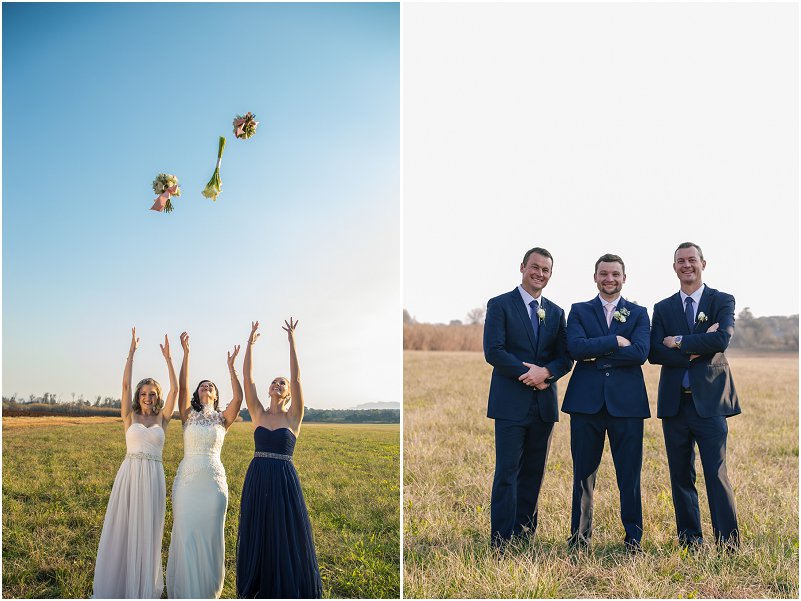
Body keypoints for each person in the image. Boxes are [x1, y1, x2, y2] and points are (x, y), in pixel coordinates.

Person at [648, 242, 740, 548]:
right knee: (680, 476)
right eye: (680, 261)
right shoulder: (662, 308)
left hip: (711, 402)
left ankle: (727, 543)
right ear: (674, 267)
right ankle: (690, 541)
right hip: (675, 404)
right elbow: (654, 352)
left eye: (692, 260)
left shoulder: (722, 300)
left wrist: (678, 341)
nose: (687, 265)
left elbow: (722, 339)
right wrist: (697, 345)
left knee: (716, 474)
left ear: (703, 263)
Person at [483, 247, 573, 549]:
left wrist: (546, 373)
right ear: (522, 267)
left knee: (534, 471)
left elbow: (565, 358)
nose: (540, 274)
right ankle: (501, 538)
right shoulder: (500, 305)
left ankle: (524, 533)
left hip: (543, 405)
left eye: (546, 270)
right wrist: (529, 374)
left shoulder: (557, 312)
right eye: (535, 267)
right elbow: (494, 351)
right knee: (507, 472)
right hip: (510, 403)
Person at [562, 253, 650, 552]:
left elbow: (640, 353)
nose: (609, 279)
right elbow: (575, 348)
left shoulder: (638, 313)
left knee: (630, 474)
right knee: (583, 475)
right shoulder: (579, 310)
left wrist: (595, 350)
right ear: (595, 276)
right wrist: (614, 341)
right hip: (586, 404)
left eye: (615, 274)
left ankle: (633, 539)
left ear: (624, 278)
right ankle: (579, 538)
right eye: (603, 273)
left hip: (627, 404)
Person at [236, 319, 323, 598]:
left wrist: (292, 341)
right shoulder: (258, 413)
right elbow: (247, 378)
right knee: (259, 531)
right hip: (258, 476)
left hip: (284, 481)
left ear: (288, 393)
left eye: (281, 383)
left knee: (285, 534)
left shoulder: (293, 416)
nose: (277, 384)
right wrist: (249, 344)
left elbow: (297, 379)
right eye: (274, 381)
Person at [92, 328, 177, 598]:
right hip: (130, 474)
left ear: (157, 396)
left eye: (152, 393)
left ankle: (141, 586)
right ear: (138, 395)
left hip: (153, 476)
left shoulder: (163, 419)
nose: (147, 397)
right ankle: (118, 584)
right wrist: (131, 353)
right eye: (144, 393)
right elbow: (125, 386)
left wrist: (169, 359)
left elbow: (177, 389)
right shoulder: (129, 416)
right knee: (124, 528)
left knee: (149, 533)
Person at [166, 332, 243, 598]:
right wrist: (186, 354)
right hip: (188, 482)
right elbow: (183, 388)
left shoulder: (224, 419)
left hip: (213, 485)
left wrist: (232, 368)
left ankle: (207, 593)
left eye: (211, 385)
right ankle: (186, 591)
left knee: (211, 537)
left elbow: (239, 398)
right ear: (198, 395)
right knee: (186, 532)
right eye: (203, 386)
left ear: (216, 394)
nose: (206, 387)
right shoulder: (188, 416)